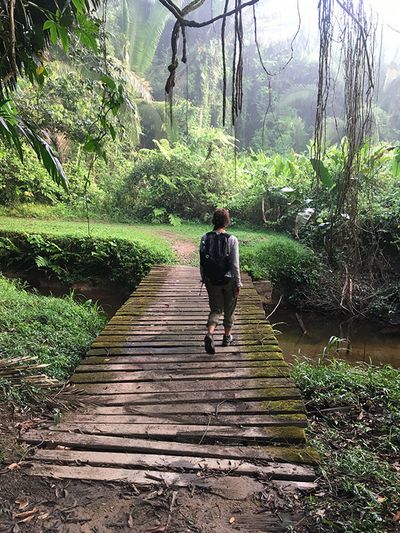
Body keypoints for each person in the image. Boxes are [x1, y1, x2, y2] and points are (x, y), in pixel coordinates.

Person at [199, 208, 242, 355]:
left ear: (213, 221)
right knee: (229, 309)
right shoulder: (232, 239)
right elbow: (235, 265)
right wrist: (238, 283)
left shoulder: (204, 237)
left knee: (216, 309)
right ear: (227, 222)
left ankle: (210, 333)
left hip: (211, 280)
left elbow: (202, 261)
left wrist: (204, 278)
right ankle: (226, 337)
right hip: (228, 280)